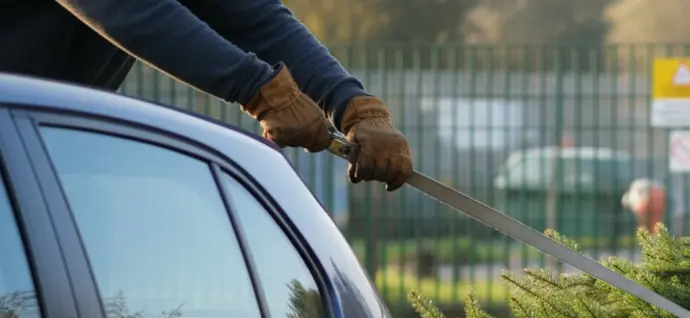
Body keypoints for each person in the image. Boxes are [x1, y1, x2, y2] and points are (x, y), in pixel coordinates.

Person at [0, 0, 413, 190]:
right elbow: (127, 8)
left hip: (24, 156)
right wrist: (260, 90)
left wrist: (354, 105)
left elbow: (252, 16)